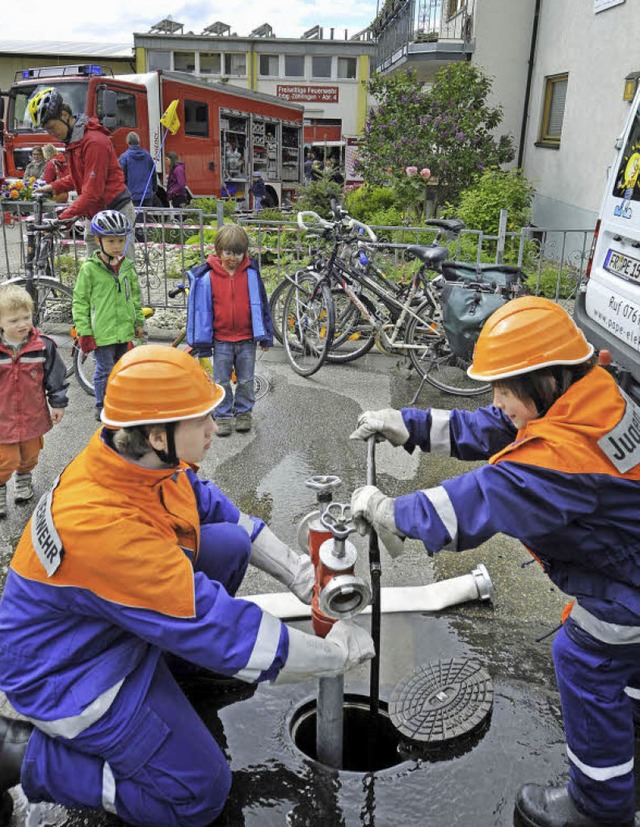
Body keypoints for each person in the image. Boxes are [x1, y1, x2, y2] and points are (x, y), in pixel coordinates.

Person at [0, 344, 374, 827]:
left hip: (98, 629)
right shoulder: (105, 530)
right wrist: (332, 657)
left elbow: (219, 512)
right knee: (200, 793)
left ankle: (177, 669)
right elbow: (221, 629)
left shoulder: (134, 461)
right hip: (69, 675)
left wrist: (299, 573)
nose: (214, 428)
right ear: (158, 435)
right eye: (201, 420)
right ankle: (24, 756)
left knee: (226, 546)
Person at [349, 296, 640, 827]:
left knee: (586, 659)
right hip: (629, 550)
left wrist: (388, 509)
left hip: (629, 583)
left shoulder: (561, 458)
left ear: (545, 380)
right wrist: (406, 423)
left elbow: (474, 503)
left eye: (504, 388)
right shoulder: (590, 394)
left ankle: (599, 808)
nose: (497, 399)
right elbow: (494, 427)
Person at [27, 87, 136, 261]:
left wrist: (60, 219)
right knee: (94, 273)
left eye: (51, 127)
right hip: (95, 214)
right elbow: (77, 177)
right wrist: (52, 187)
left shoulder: (94, 142)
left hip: (115, 211)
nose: (51, 134)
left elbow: (93, 193)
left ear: (64, 115)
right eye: (46, 130)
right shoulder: (74, 142)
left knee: (122, 271)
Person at [0, 284, 68, 519]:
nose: (22, 324)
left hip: (33, 415)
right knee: (5, 459)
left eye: (26, 317)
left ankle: (24, 479)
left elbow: (56, 376)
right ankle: (0, 486)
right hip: (2, 419)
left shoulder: (43, 346)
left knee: (30, 455)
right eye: (13, 320)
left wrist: (58, 403)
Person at [72, 210, 144, 420]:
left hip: (124, 330)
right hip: (102, 332)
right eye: (111, 241)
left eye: (121, 241)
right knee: (104, 370)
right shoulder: (89, 270)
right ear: (98, 240)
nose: (116, 246)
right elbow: (80, 301)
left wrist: (138, 321)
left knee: (124, 369)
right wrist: (84, 331)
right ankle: (102, 405)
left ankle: (121, 402)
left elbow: (135, 297)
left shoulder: (127, 267)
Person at [205, 223, 273, 436]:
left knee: (246, 379)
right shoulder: (209, 276)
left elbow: (263, 304)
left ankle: (243, 412)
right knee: (221, 380)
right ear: (219, 251)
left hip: (246, 339)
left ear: (245, 253)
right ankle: (223, 415)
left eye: (238, 253)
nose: (233, 257)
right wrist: (202, 341)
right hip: (221, 339)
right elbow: (203, 310)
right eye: (228, 252)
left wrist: (266, 336)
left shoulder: (251, 274)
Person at [119, 131, 157, 210]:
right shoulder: (147, 155)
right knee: (146, 220)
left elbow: (121, 177)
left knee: (134, 220)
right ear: (138, 141)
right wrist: (154, 189)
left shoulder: (124, 157)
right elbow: (153, 174)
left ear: (127, 142)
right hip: (147, 194)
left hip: (132, 195)